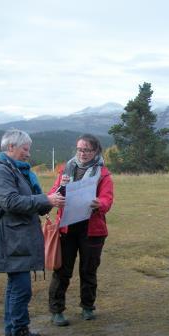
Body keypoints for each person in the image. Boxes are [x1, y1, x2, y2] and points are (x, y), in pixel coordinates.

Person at [0, 129, 65, 336]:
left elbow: (30, 200)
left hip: (20, 236)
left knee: (16, 286)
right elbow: (10, 201)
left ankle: (12, 330)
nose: (28, 154)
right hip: (11, 238)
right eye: (25, 149)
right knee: (21, 289)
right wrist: (44, 199)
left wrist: (50, 200)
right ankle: (20, 334)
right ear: (11, 147)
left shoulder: (18, 170)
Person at [47, 134, 114, 326]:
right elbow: (52, 193)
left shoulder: (103, 174)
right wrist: (60, 190)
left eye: (87, 150)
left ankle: (87, 307)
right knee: (62, 271)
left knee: (88, 270)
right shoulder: (65, 169)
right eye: (79, 149)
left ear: (96, 152)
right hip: (67, 227)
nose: (82, 153)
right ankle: (57, 310)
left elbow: (107, 200)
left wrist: (97, 203)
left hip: (92, 229)